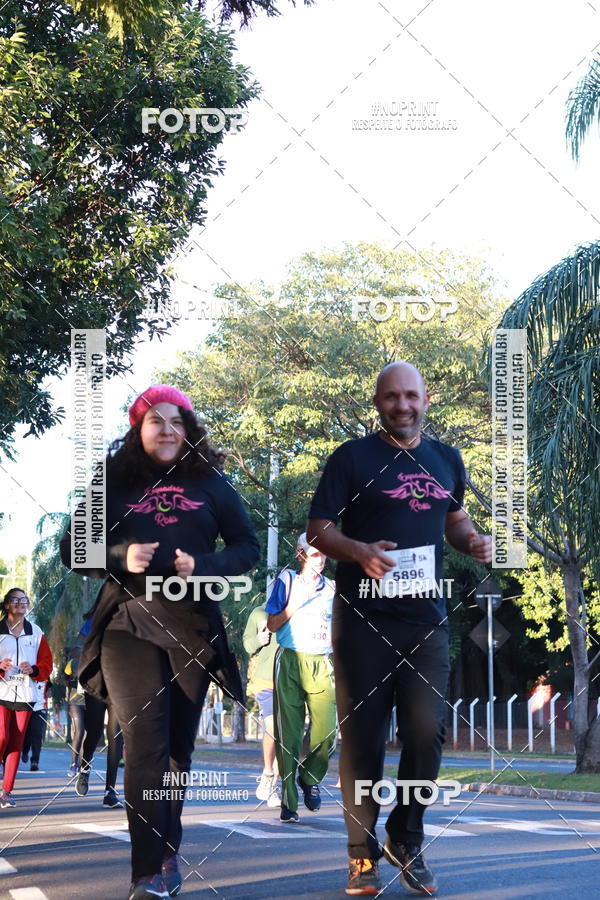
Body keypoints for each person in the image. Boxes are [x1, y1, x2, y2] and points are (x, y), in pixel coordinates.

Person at [60, 384, 260, 900]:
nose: (167, 430)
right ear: (138, 428)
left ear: (188, 429)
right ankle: (145, 873)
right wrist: (119, 555)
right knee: (146, 747)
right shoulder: (114, 480)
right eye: (155, 421)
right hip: (127, 624)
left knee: (176, 752)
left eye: (177, 422)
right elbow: (71, 548)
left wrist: (206, 566)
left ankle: (168, 849)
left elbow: (247, 549)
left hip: (191, 628)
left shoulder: (212, 483)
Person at [307, 361, 492, 896]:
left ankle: (406, 836)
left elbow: (453, 520)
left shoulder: (446, 459)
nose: (402, 406)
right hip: (363, 618)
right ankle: (360, 855)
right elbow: (318, 529)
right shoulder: (352, 458)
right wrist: (359, 551)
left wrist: (473, 540)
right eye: (391, 396)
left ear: (426, 399)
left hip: (426, 619)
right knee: (363, 738)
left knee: (425, 732)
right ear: (377, 401)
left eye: (411, 395)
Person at [266, 533, 336, 823]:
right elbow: (271, 624)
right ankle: (288, 801)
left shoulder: (333, 587)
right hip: (291, 659)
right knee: (289, 735)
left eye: (324, 554)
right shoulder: (287, 581)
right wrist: (295, 604)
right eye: (315, 553)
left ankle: (309, 777)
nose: (320, 559)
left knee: (328, 732)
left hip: (322, 662)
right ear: (301, 554)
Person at [0, 588, 53, 808]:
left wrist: (33, 668)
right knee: (2, 737)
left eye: (24, 600)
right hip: (1, 693)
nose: (21, 603)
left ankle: (6, 792)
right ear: (7, 605)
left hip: (25, 694)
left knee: (16, 742)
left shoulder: (36, 631)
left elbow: (46, 663)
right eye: (16, 600)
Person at [242, 602, 280, 807]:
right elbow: (247, 645)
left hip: (293, 681)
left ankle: (273, 786)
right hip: (266, 680)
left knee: (286, 737)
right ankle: (267, 772)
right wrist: (259, 639)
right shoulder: (259, 612)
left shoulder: (302, 611)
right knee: (274, 727)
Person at [63, 653, 86, 777]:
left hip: (92, 703)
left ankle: (83, 765)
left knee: (87, 735)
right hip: (75, 702)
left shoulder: (98, 660)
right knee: (80, 730)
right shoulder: (73, 662)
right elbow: (64, 678)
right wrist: (74, 683)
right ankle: (73, 763)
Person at [21, 677, 51, 771]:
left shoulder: (46, 678)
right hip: (26, 707)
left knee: (37, 734)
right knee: (27, 734)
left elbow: (49, 693)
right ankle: (25, 751)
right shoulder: (26, 676)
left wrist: (48, 692)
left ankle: (35, 761)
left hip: (40, 708)